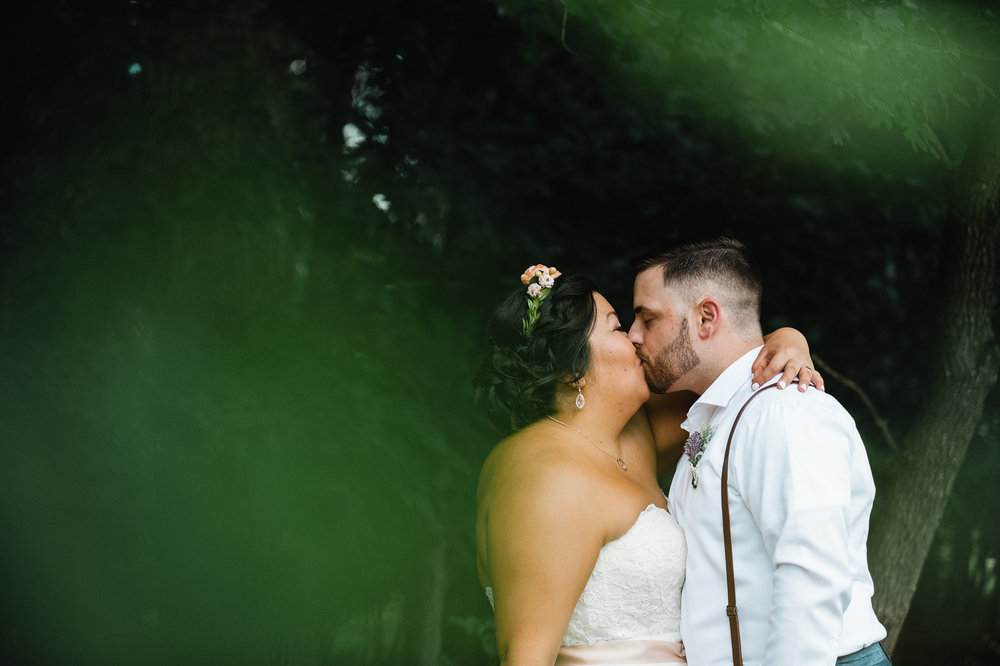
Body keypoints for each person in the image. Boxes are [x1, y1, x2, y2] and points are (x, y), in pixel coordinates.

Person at [474, 263, 821, 665]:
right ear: (573, 371)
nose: (636, 338)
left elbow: (731, 366)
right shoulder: (541, 472)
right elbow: (524, 656)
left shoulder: (634, 434)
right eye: (617, 327)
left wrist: (788, 338)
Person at [628, 238, 889, 666]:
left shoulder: (785, 412)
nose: (634, 335)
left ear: (706, 318)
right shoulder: (715, 413)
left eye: (647, 317)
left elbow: (811, 577)